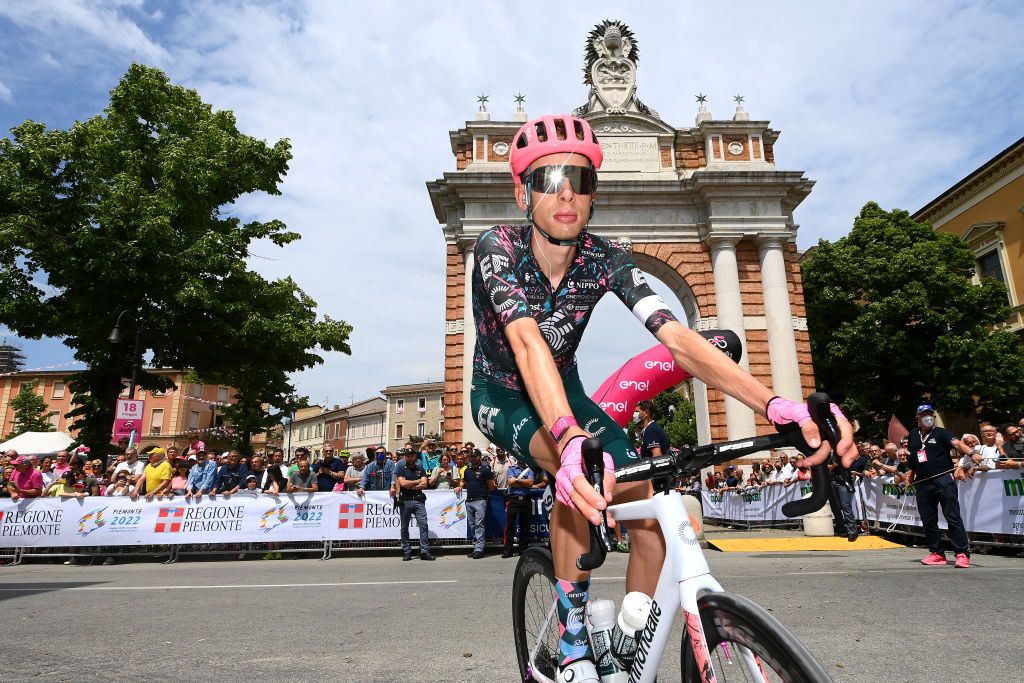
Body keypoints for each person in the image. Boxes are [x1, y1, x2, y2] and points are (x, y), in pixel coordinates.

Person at [467, 113, 854, 682]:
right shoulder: (496, 247)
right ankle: (573, 638)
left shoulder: (606, 258)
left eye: (580, 178)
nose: (566, 192)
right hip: (504, 394)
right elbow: (526, 343)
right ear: (522, 191)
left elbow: (678, 337)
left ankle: (628, 639)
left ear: (595, 192)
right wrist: (569, 436)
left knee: (644, 496)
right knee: (575, 471)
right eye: (549, 179)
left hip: (566, 385)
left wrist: (776, 405)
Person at [906, 404, 973, 568]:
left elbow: (957, 444)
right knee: (928, 519)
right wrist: (910, 477)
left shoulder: (942, 433)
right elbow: (914, 460)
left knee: (952, 516)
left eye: (931, 414)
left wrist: (971, 453)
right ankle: (936, 553)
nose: (928, 417)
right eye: (924, 414)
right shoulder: (913, 435)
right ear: (918, 418)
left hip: (943, 479)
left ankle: (962, 553)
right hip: (922, 482)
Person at [394, 447, 435, 561]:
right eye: (409, 455)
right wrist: (417, 481)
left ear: (415, 456)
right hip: (405, 500)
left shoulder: (420, 469)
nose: (411, 457)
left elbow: (424, 484)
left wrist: (409, 484)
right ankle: (407, 551)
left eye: (413, 455)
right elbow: (402, 483)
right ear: (406, 456)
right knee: (404, 527)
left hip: (418, 501)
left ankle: (424, 551)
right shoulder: (401, 468)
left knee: (423, 525)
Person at [456, 448, 493, 559]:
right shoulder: (467, 470)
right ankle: (476, 546)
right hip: (469, 501)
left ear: (479, 457)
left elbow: (490, 485)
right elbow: (464, 480)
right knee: (472, 525)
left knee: (479, 525)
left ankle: (479, 549)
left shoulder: (485, 469)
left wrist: (486, 496)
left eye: (475, 456)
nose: (473, 458)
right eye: (471, 456)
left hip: (481, 500)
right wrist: (460, 486)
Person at [502, 459, 534, 558]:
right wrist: (523, 482)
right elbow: (510, 483)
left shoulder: (530, 469)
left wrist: (516, 480)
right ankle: (508, 549)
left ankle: (523, 549)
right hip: (513, 500)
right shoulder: (511, 469)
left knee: (525, 526)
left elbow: (530, 483)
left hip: (526, 500)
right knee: (510, 526)